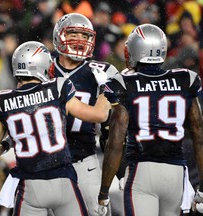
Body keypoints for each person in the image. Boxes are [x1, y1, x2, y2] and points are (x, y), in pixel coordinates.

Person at [0, 40, 110, 216]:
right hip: (63, 180)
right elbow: (100, 114)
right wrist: (105, 87)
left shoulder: (2, 101)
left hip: (31, 186)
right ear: (43, 66)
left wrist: (7, 144)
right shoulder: (58, 87)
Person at [97, 24, 203, 216]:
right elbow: (200, 138)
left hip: (141, 170)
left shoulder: (125, 83)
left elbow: (115, 143)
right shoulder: (185, 78)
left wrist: (103, 191)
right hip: (175, 173)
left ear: (135, 50)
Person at [50, 13, 119, 216]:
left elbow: (116, 121)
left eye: (84, 36)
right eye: (73, 34)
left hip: (84, 161)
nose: (80, 41)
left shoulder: (102, 71)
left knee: (99, 212)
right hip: (47, 164)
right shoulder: (43, 68)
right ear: (58, 37)